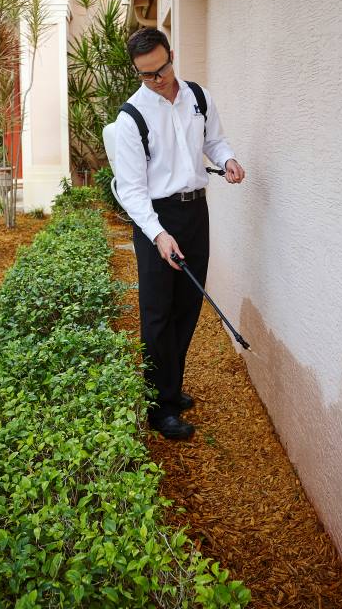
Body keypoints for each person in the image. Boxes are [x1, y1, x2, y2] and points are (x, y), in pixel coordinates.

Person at [115, 27, 245, 440]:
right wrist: (157, 235)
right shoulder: (130, 118)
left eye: (163, 68)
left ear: (171, 54)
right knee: (157, 313)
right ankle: (159, 407)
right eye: (147, 74)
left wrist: (228, 161)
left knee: (188, 306)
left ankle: (169, 387)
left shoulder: (198, 98)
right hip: (155, 219)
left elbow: (216, 142)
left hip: (195, 215)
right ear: (136, 71)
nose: (158, 80)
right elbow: (132, 192)